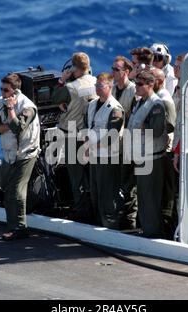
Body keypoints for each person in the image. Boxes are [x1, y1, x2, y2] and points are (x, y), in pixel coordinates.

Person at [0, 73, 40, 241]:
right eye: (1, 89)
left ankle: (20, 228)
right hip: (9, 153)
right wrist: (5, 127)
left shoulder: (28, 107)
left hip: (25, 153)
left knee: (17, 191)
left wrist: (11, 111)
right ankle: (12, 225)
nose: (2, 93)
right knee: (5, 186)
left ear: (15, 91)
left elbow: (19, 127)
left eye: (6, 90)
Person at [51, 52, 97, 222]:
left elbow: (54, 98)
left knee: (76, 175)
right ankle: (92, 207)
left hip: (72, 134)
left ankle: (80, 210)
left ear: (74, 68)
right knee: (89, 173)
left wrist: (62, 80)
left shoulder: (71, 88)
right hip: (89, 134)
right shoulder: (95, 82)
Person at [125, 70, 167, 238]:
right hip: (140, 155)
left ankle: (153, 233)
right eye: (136, 83)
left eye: (140, 84)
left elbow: (156, 131)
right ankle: (146, 229)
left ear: (150, 85)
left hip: (151, 158)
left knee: (150, 197)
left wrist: (143, 127)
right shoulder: (139, 102)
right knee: (142, 195)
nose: (137, 86)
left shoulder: (156, 104)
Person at [87, 73, 124, 229]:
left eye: (100, 86)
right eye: (96, 85)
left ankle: (110, 226)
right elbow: (89, 126)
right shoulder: (92, 104)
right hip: (95, 155)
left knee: (108, 194)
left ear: (110, 87)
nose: (97, 88)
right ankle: (98, 225)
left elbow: (112, 136)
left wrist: (92, 146)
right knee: (95, 191)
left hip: (109, 157)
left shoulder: (115, 109)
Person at [111, 56, 138, 230]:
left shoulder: (133, 90)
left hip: (128, 143)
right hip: (115, 145)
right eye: (112, 69)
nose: (112, 72)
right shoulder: (113, 89)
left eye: (116, 69)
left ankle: (130, 221)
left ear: (126, 72)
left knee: (129, 185)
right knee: (117, 181)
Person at [152, 68, 177, 239]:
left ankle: (167, 230)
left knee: (167, 194)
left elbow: (170, 126)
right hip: (160, 150)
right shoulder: (157, 98)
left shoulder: (164, 99)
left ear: (160, 81)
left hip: (166, 153)